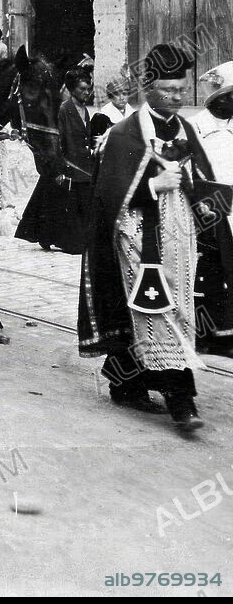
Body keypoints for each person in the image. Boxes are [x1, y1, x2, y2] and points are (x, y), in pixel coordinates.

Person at [79, 44, 215, 433]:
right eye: (169, 90)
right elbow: (108, 196)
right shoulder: (124, 133)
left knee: (177, 308)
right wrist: (153, 185)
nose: (177, 97)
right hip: (138, 234)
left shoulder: (186, 128)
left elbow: (197, 176)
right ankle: (181, 400)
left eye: (181, 90)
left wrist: (203, 202)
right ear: (148, 87)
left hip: (181, 236)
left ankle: (125, 379)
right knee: (156, 310)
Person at [16, 69, 96, 255]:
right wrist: (59, 169)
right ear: (72, 89)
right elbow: (57, 142)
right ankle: (60, 239)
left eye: (89, 89)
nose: (87, 92)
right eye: (83, 89)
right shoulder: (63, 110)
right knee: (61, 204)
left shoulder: (85, 111)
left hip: (83, 166)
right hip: (67, 165)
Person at [191, 61, 233, 359]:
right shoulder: (196, 127)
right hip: (209, 210)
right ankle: (206, 335)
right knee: (209, 272)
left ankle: (227, 333)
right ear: (219, 98)